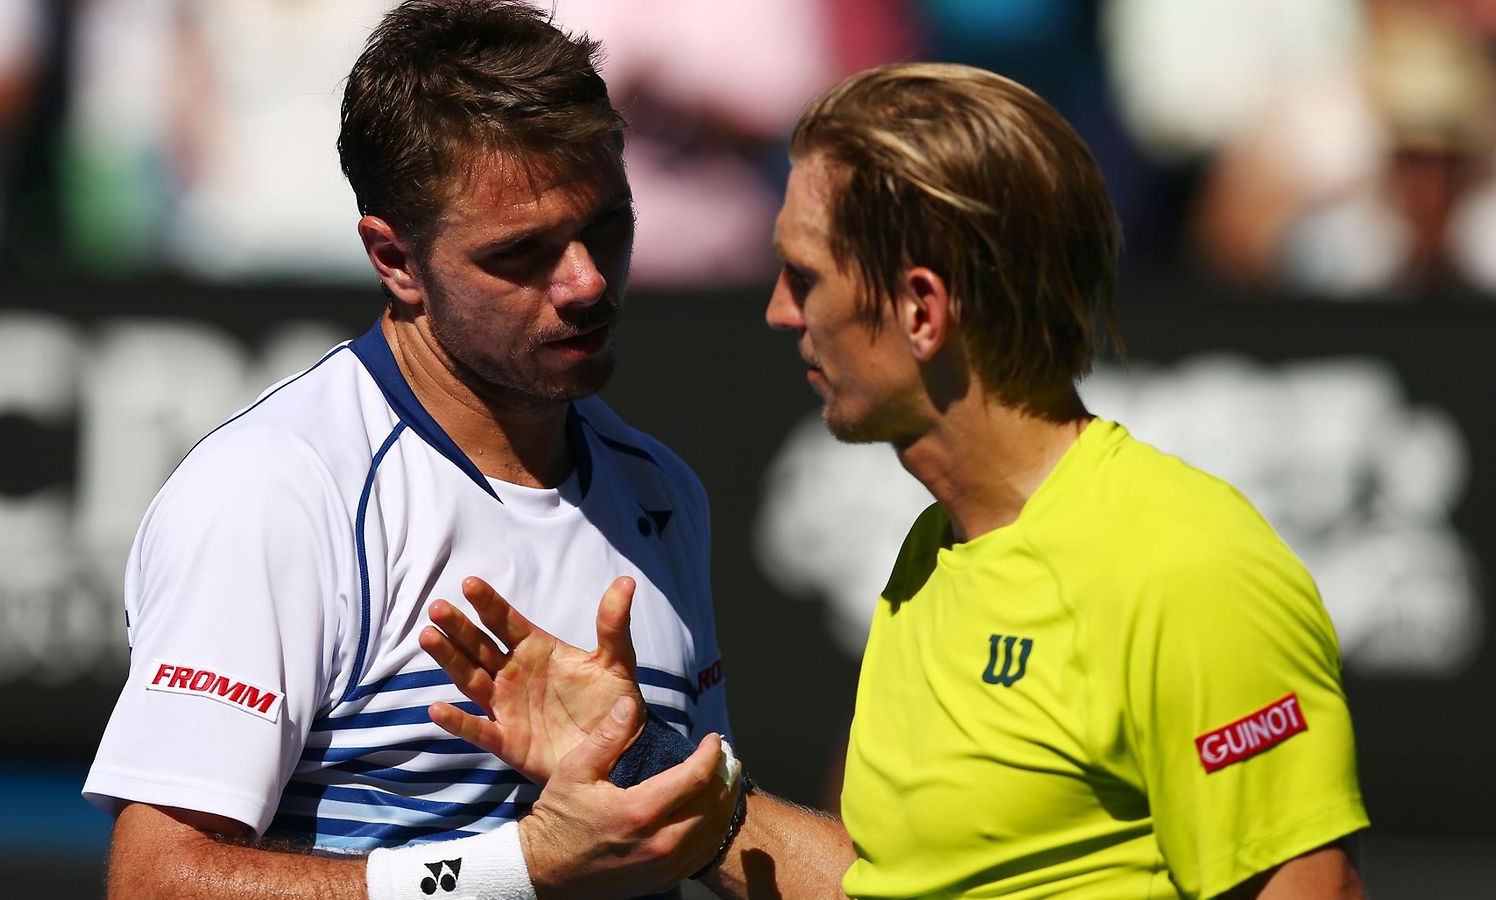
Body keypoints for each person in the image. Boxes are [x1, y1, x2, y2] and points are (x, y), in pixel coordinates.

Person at [421, 63, 1372, 898]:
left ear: (922, 309)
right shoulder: (934, 555)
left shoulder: (1184, 564)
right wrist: (640, 760)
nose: (778, 312)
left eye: (806, 276)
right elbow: (880, 887)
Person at [82, 2, 747, 897]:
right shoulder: (274, 489)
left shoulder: (663, 491)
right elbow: (155, 882)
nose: (587, 281)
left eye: (608, 226)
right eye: (523, 254)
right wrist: (520, 868)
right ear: (395, 259)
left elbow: (701, 845)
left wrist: (639, 761)